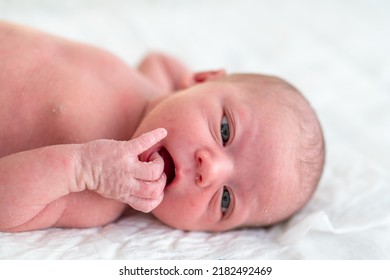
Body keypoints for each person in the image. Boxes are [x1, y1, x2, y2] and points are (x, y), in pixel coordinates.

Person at [0, 21, 325, 232]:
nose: (210, 171)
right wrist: (184, 92)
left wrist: (82, 169)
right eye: (225, 131)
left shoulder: (97, 198)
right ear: (200, 79)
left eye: (225, 200)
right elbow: (161, 59)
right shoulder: (153, 83)